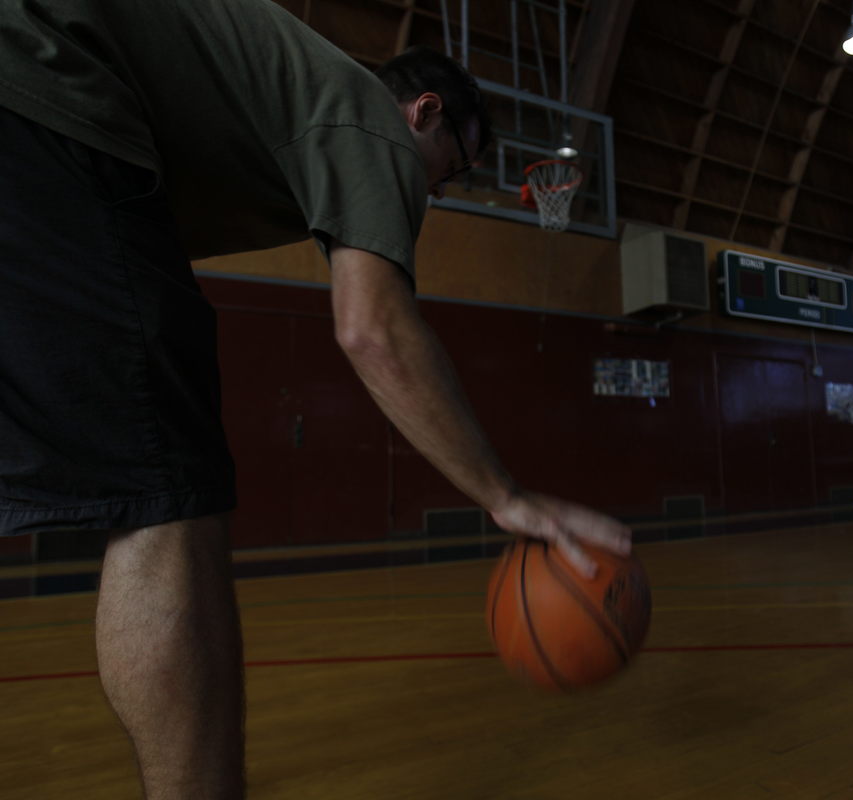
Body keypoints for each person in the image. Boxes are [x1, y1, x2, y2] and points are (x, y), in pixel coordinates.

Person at [0, 1, 631, 797]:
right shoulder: (371, 120)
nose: (438, 190)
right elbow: (371, 329)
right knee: (167, 501)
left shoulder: (271, 113)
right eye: (453, 165)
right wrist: (505, 498)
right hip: (40, 89)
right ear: (423, 113)